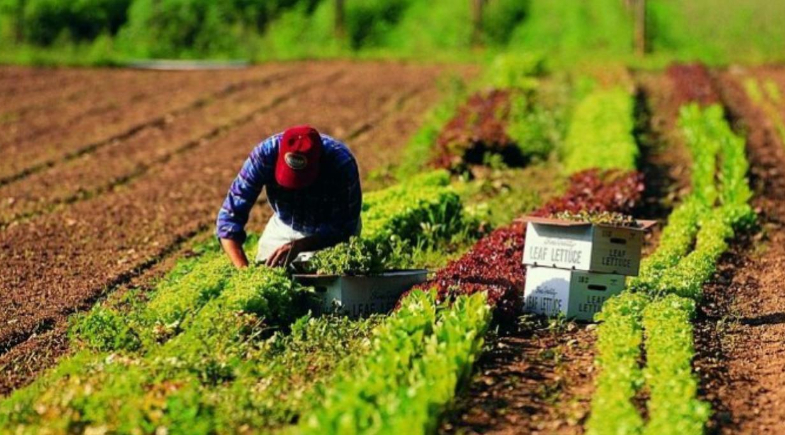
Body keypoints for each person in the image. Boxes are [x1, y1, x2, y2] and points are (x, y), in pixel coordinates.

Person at [216, 125, 362, 268]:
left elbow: (343, 226)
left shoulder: (341, 164)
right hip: (284, 225)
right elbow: (229, 217)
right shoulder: (265, 155)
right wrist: (244, 272)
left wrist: (301, 245)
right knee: (267, 268)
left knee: (325, 283)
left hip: (328, 232)